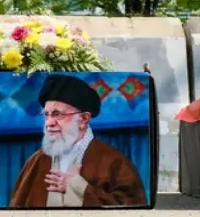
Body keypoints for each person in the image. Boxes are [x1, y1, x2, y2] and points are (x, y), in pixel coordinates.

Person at [9, 74, 146, 208]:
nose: (49, 123)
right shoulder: (37, 161)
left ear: (84, 119)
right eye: (46, 115)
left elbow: (130, 209)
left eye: (57, 114)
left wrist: (79, 187)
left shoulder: (113, 161)